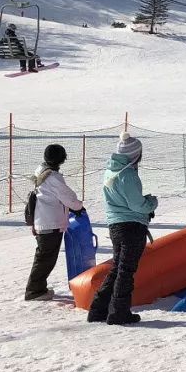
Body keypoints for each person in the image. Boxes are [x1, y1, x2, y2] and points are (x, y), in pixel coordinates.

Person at [87, 132, 157, 324]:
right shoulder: (127, 175)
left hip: (116, 225)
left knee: (117, 268)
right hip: (131, 226)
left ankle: (98, 309)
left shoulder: (111, 171)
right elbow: (136, 204)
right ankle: (119, 312)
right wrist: (151, 203)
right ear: (136, 155)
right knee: (126, 270)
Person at [24, 144, 84, 300]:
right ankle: (34, 291)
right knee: (45, 258)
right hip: (50, 223)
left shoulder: (41, 171)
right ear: (61, 159)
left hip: (43, 220)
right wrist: (78, 207)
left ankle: (38, 288)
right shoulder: (53, 177)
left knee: (44, 257)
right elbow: (67, 197)